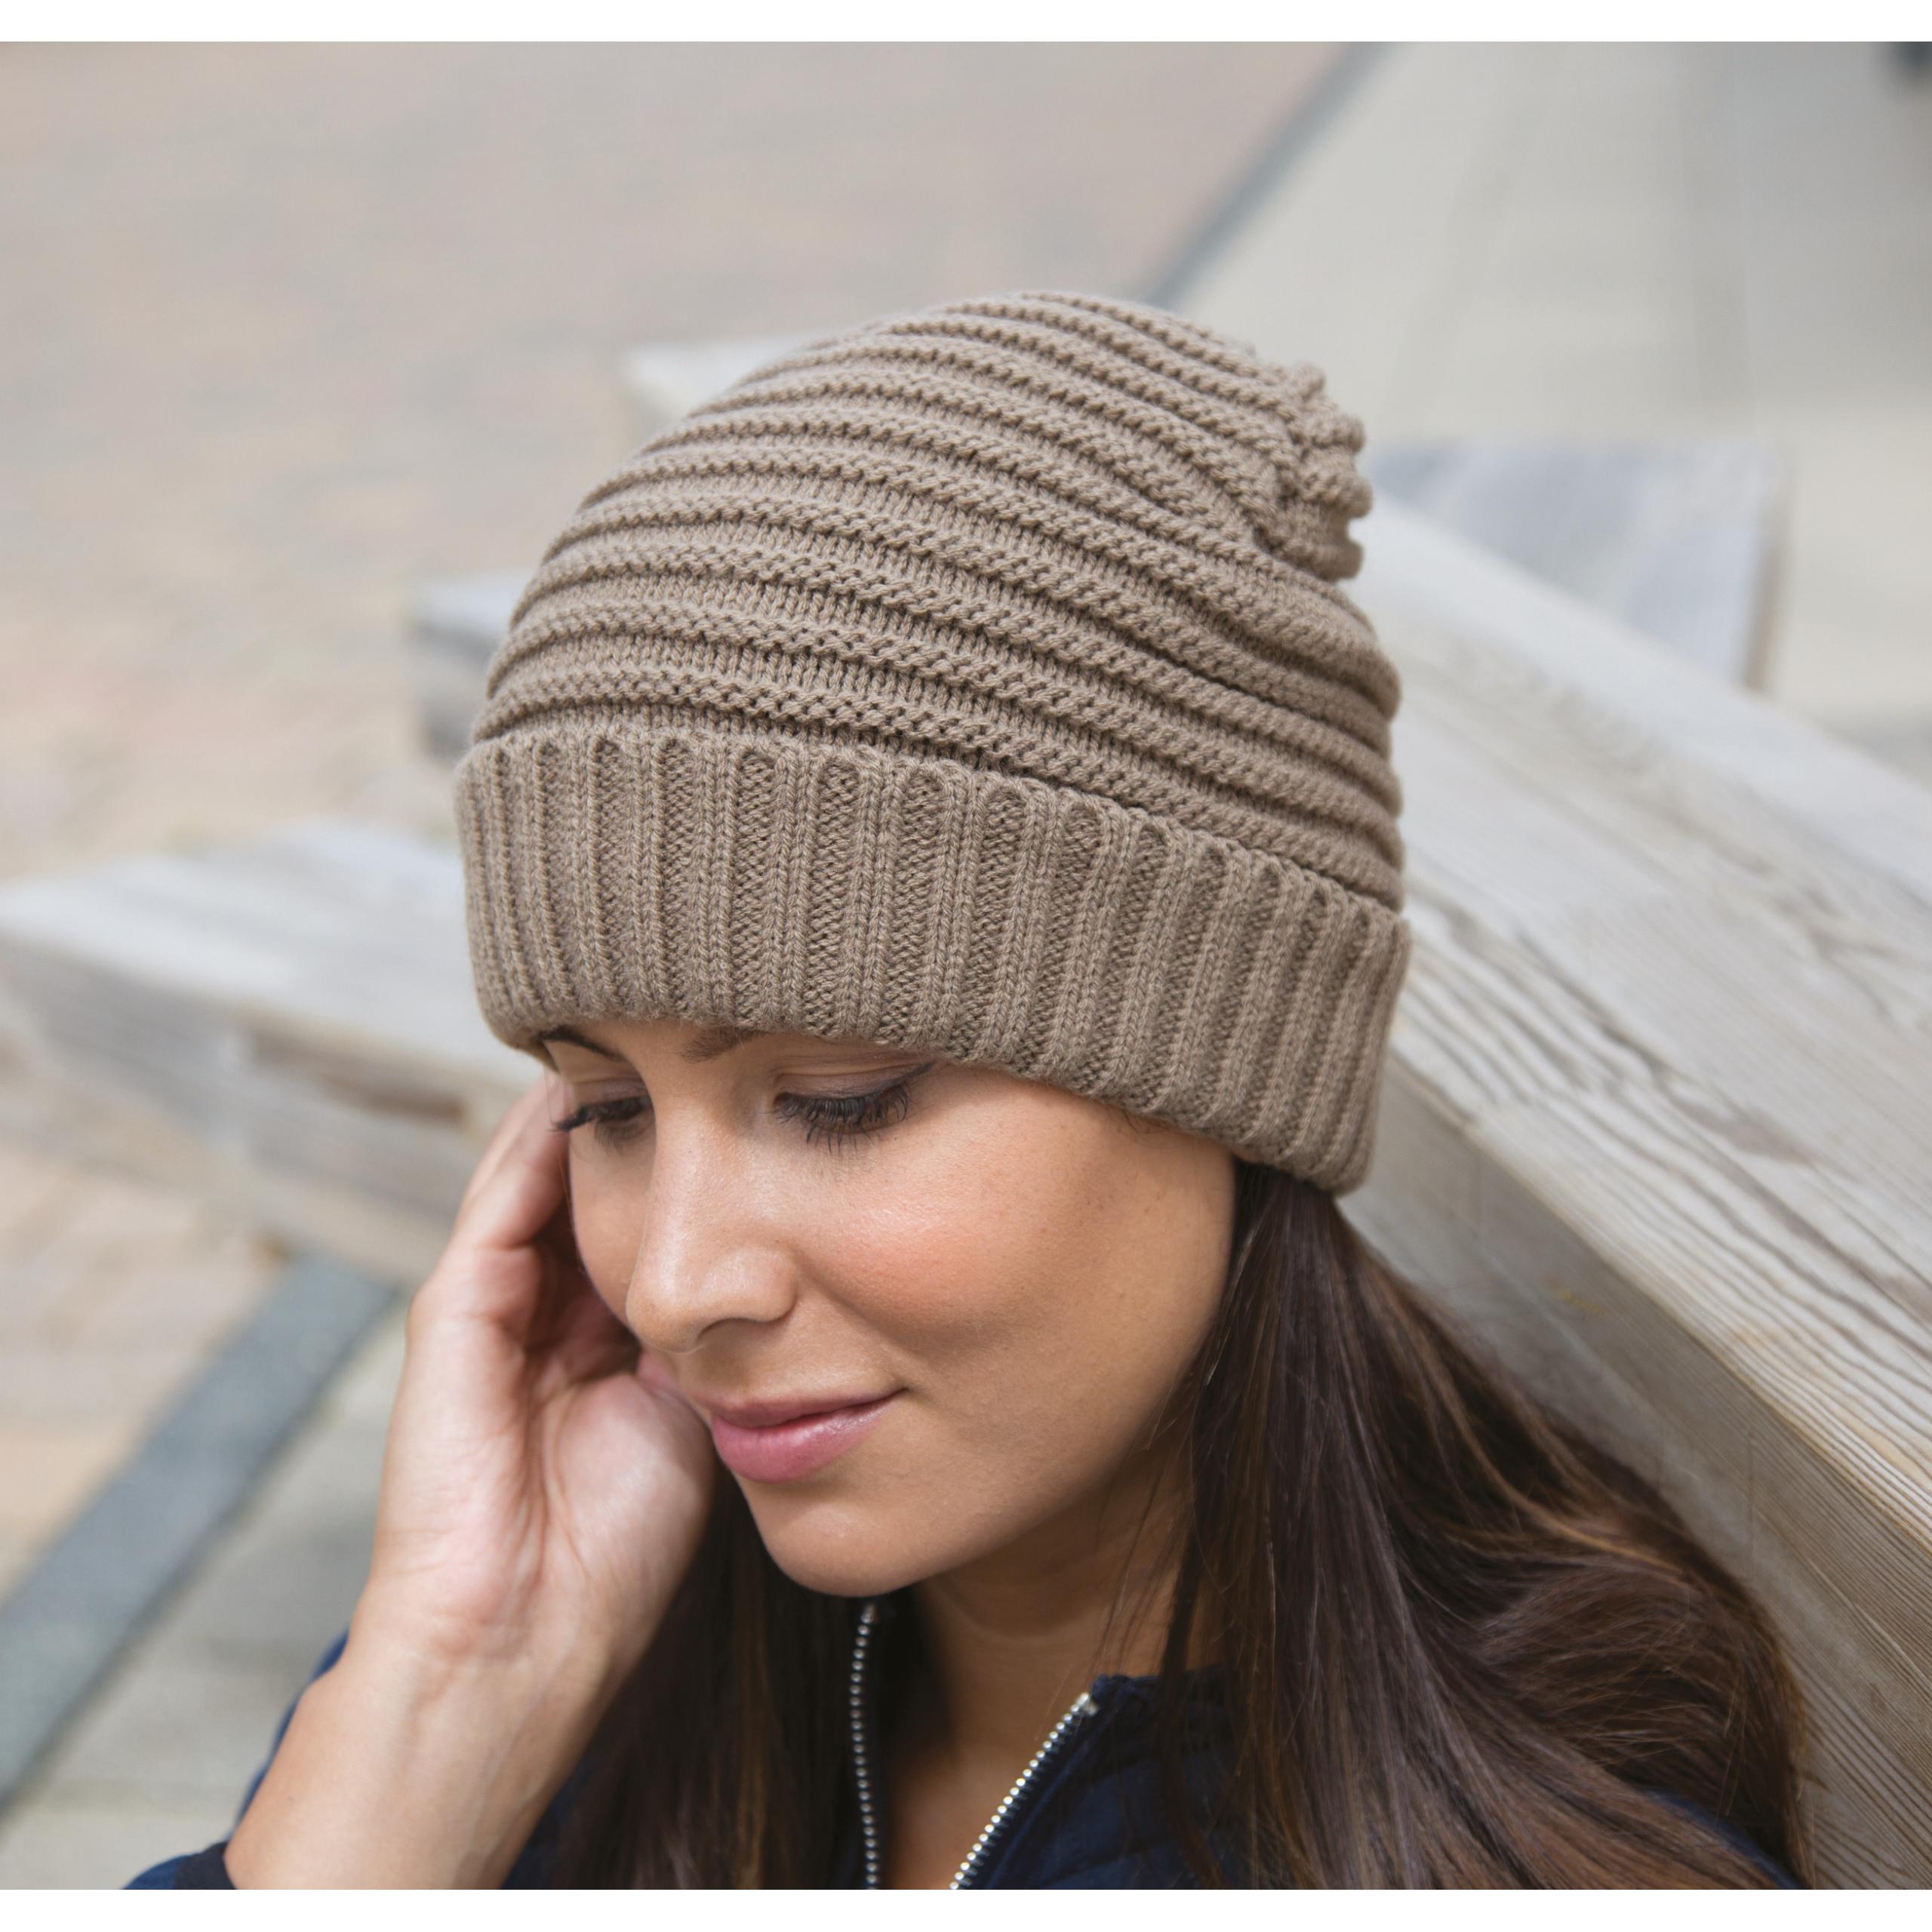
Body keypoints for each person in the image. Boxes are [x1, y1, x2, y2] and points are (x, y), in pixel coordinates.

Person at [128, 291, 1810, 1888]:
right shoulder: (565, 1670)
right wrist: (442, 1699)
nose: (672, 1281)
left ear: (1228, 1054)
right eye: (607, 1108)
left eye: (841, 1092)